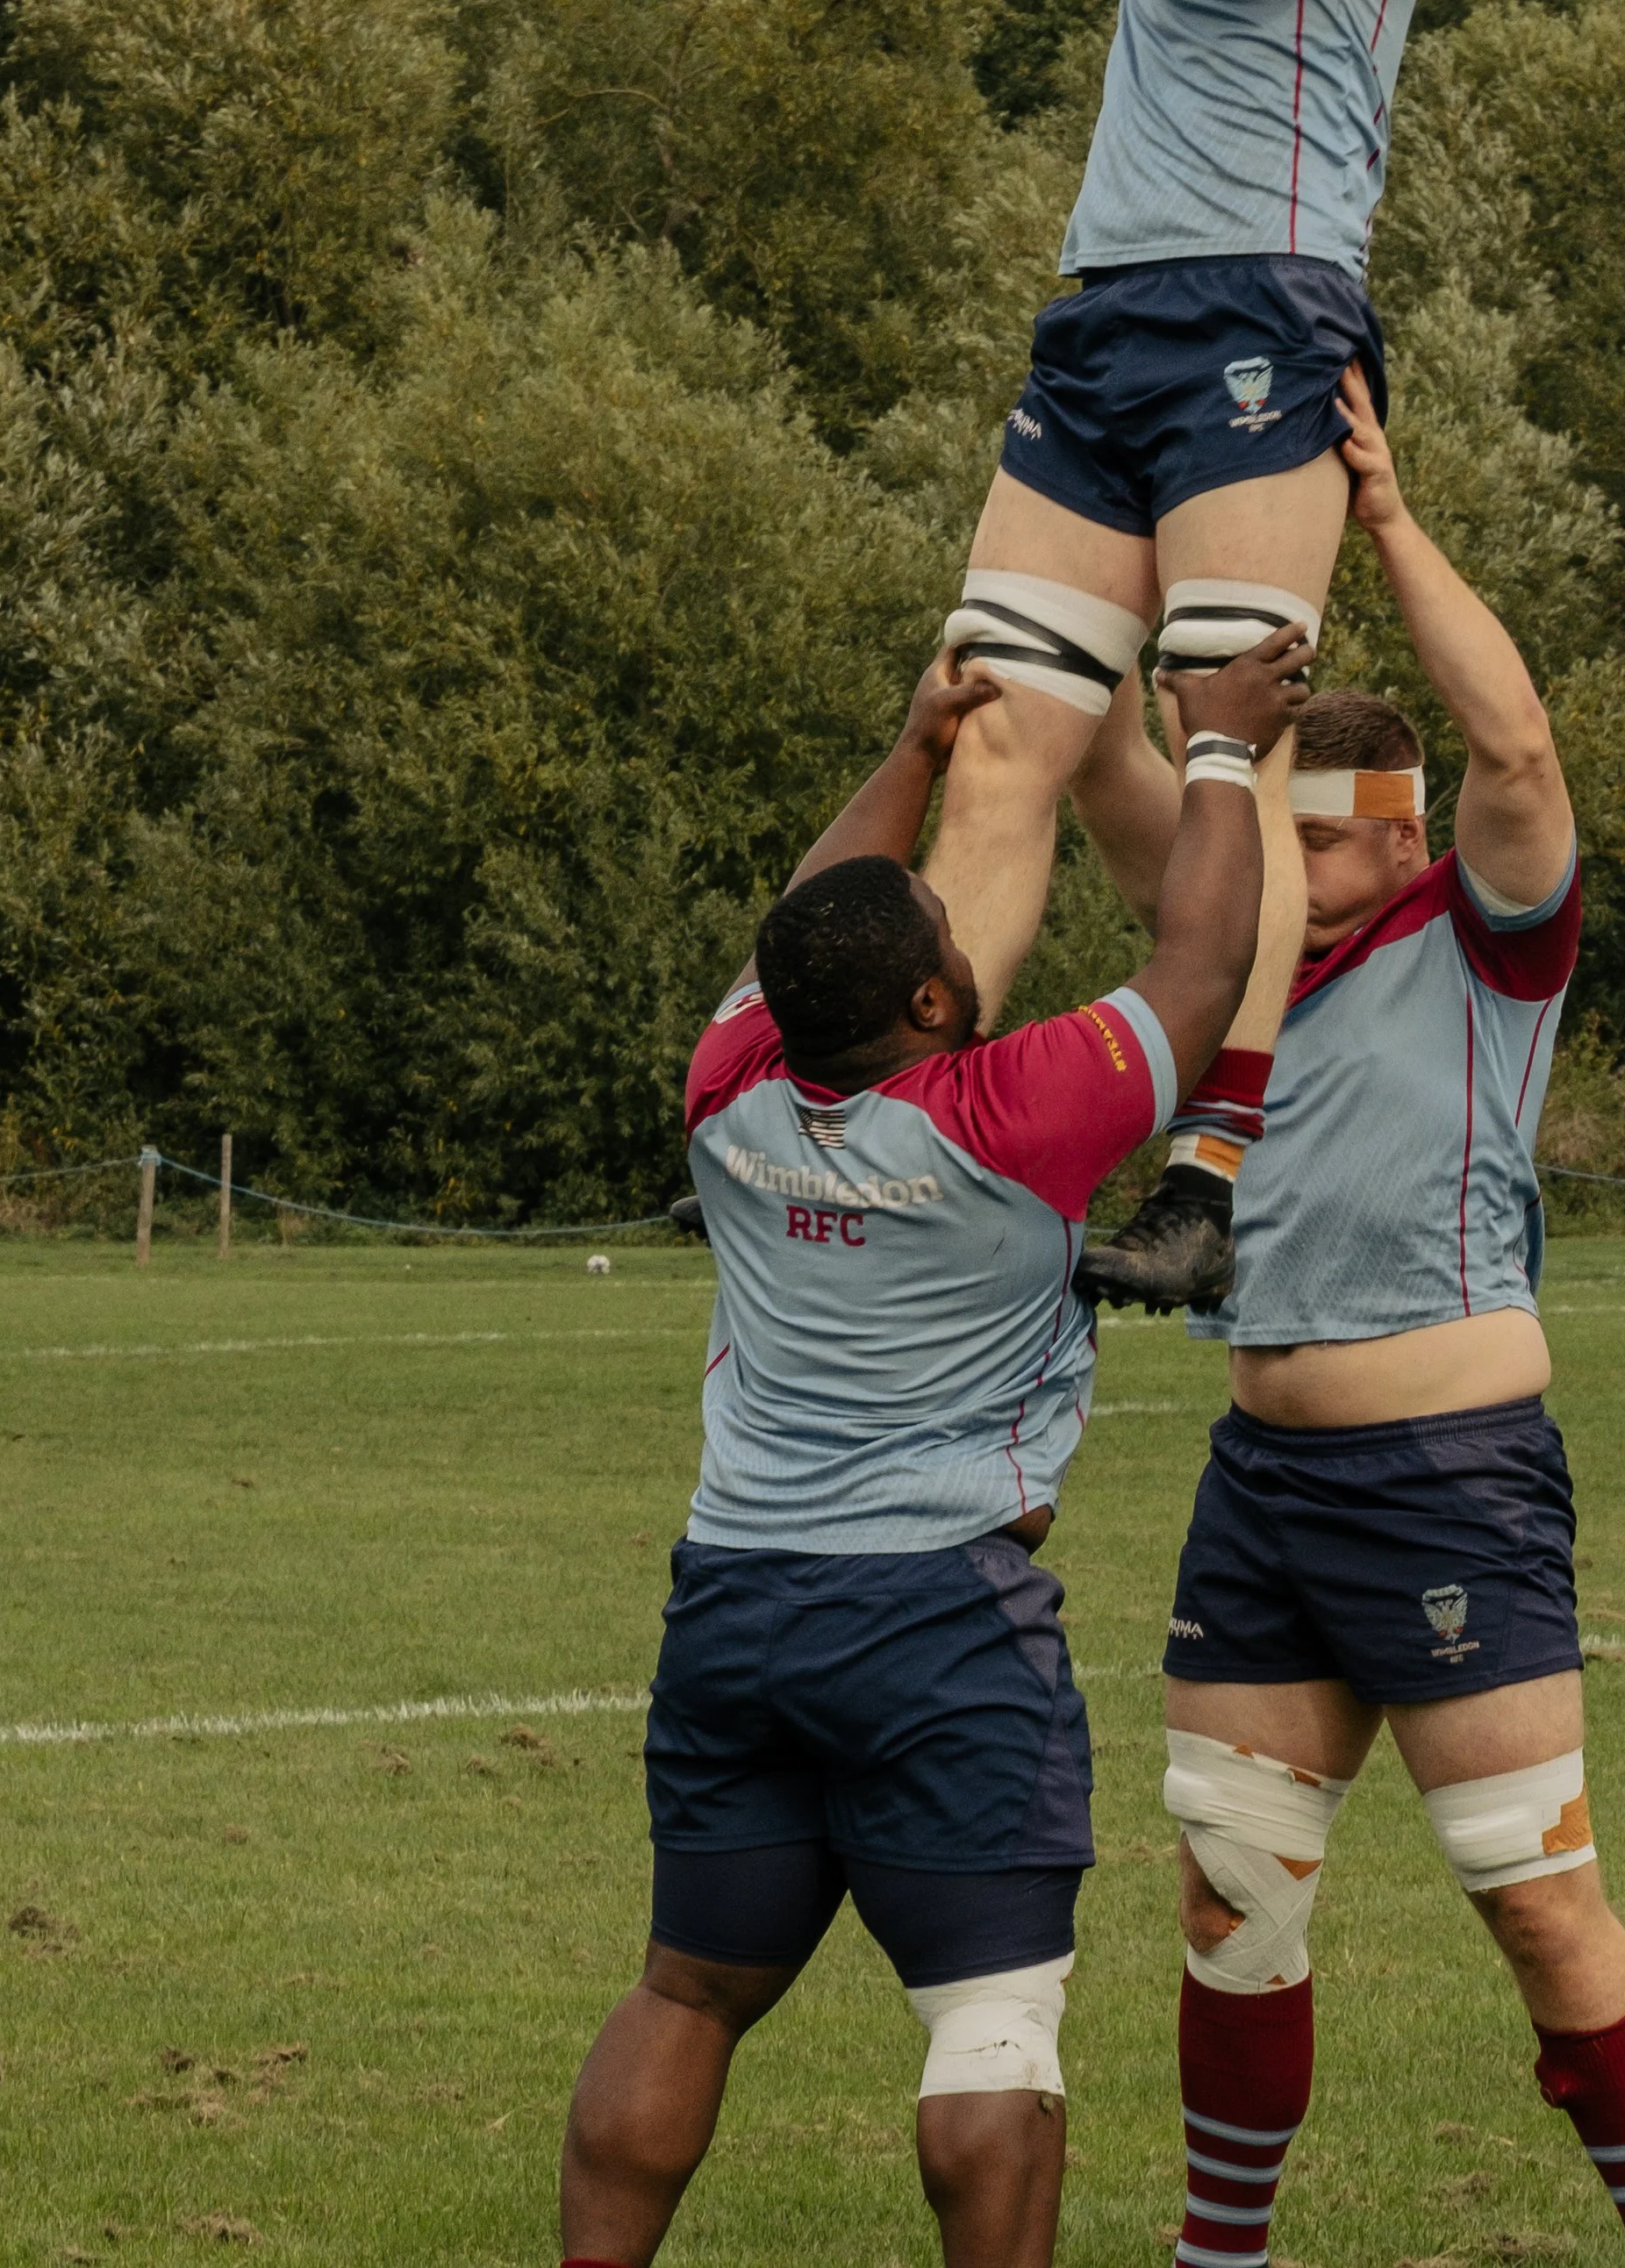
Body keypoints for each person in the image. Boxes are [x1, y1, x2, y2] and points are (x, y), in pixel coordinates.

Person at [556, 622, 1313, 2268]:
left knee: (686, 1985)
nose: (971, 953)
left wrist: (913, 755)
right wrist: (1221, 745)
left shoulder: (730, 1085)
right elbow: (1201, 966)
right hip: (937, 1621)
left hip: (735, 1605)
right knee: (992, 2038)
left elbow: (802, 923)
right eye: (947, 946)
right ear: (926, 995)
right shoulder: (1005, 1114)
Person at [1068, 365, 1625, 2268]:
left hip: (1448, 1475)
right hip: (1260, 1482)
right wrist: (1116, 576)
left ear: (1392, 834)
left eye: (1318, 834)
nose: (1283, 864)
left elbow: (1515, 750)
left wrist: (1385, 526)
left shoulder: (1476, 934)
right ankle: (1218, 2261)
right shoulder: (1222, 942)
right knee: (1227, 1898)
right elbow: (1120, 778)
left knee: (1530, 1897)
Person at [921, 0, 1424, 1305]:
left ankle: (1203, 1182)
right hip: (1098, 335)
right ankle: (923, 1145)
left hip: (1255, 319)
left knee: (1232, 747)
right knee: (997, 736)